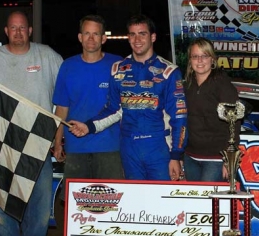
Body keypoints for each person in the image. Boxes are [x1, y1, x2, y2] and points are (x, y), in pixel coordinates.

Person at [0, 11, 63, 236]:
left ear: (30, 30)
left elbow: (64, 90)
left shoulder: (47, 56)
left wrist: (59, 133)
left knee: (39, 201)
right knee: (1, 200)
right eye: (13, 28)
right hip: (2, 143)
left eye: (22, 28)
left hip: (39, 142)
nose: (18, 32)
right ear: (6, 31)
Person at [69, 15, 187, 181]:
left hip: (159, 148)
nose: (137, 39)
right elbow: (114, 109)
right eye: (132, 34)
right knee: (134, 203)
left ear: (153, 37)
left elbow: (179, 118)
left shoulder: (169, 71)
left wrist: (176, 155)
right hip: (129, 149)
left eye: (142, 34)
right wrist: (88, 126)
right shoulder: (118, 69)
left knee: (163, 203)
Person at [52, 14, 124, 197]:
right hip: (76, 147)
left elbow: (125, 107)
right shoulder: (68, 66)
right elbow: (61, 108)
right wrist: (58, 141)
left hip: (110, 147)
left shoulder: (118, 65)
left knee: (112, 202)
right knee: (77, 205)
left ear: (104, 38)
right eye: (87, 33)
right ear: (80, 37)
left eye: (96, 34)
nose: (91, 38)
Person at [183, 37, 239, 181]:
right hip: (190, 155)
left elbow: (234, 123)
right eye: (195, 56)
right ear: (190, 60)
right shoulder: (186, 84)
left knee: (210, 203)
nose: (200, 60)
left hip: (216, 158)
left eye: (204, 56)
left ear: (212, 59)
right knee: (194, 201)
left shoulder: (222, 84)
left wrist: (229, 159)